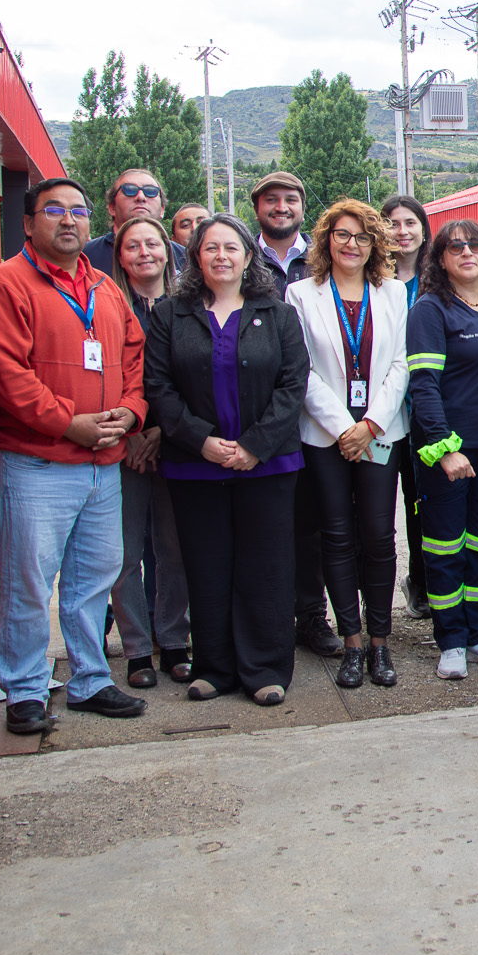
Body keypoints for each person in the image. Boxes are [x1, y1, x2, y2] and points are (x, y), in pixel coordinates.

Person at [0, 177, 149, 734]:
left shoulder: (104, 286)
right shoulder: (6, 286)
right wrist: (67, 424)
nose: (69, 220)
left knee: (93, 579)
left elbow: (132, 358)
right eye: (54, 210)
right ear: (28, 223)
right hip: (39, 464)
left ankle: (91, 680)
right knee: (29, 582)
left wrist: (131, 410)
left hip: (104, 464)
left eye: (78, 210)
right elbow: (5, 374)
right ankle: (24, 688)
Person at [147, 215, 309, 705]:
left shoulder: (277, 313)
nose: (221, 256)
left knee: (266, 566)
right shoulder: (169, 314)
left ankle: (265, 670)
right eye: (210, 247)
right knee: (207, 564)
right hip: (194, 464)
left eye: (231, 247)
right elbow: (158, 387)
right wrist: (202, 441)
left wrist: (253, 446)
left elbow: (292, 384)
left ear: (247, 256)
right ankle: (214, 668)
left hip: (267, 464)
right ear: (196, 255)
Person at [288, 200, 410, 689]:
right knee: (336, 538)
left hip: (381, 432)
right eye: (342, 235)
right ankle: (353, 644)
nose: (352, 244)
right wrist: (344, 427)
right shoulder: (301, 294)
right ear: (326, 240)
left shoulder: (395, 293)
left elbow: (402, 363)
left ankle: (381, 643)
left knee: (379, 536)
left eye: (362, 236)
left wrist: (371, 424)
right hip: (325, 436)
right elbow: (302, 369)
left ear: (375, 243)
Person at [406, 219, 478, 680]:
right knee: (443, 545)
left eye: (475, 245)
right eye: (455, 248)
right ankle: (450, 639)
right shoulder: (430, 309)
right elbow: (424, 386)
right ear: (440, 259)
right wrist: (445, 447)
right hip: (447, 451)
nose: (466, 252)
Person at [250, 169, 339, 660]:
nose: (281, 207)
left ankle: (313, 616)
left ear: (303, 208)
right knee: (269, 525)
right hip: (262, 411)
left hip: (317, 410)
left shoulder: (319, 260)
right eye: (271, 200)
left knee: (315, 523)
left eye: (290, 200)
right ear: (257, 206)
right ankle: (270, 618)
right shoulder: (245, 259)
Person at [106, 215, 193, 688]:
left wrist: (162, 430)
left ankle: (174, 640)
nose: (144, 253)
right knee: (123, 553)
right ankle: (137, 648)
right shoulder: (105, 303)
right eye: (132, 245)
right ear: (120, 255)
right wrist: (133, 432)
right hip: (125, 445)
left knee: (173, 548)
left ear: (168, 251)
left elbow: (195, 378)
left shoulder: (189, 306)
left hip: (175, 443)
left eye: (153, 244)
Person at [381, 193, 432, 618]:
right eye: (393, 224)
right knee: (381, 505)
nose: (402, 231)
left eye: (409, 223)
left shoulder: (439, 277)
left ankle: (421, 579)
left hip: (425, 409)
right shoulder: (370, 278)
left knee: (421, 500)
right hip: (381, 411)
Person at [82, 167, 185, 274]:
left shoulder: (185, 258)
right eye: (129, 190)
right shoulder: (85, 257)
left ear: (162, 210)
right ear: (112, 207)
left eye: (150, 191)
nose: (140, 197)